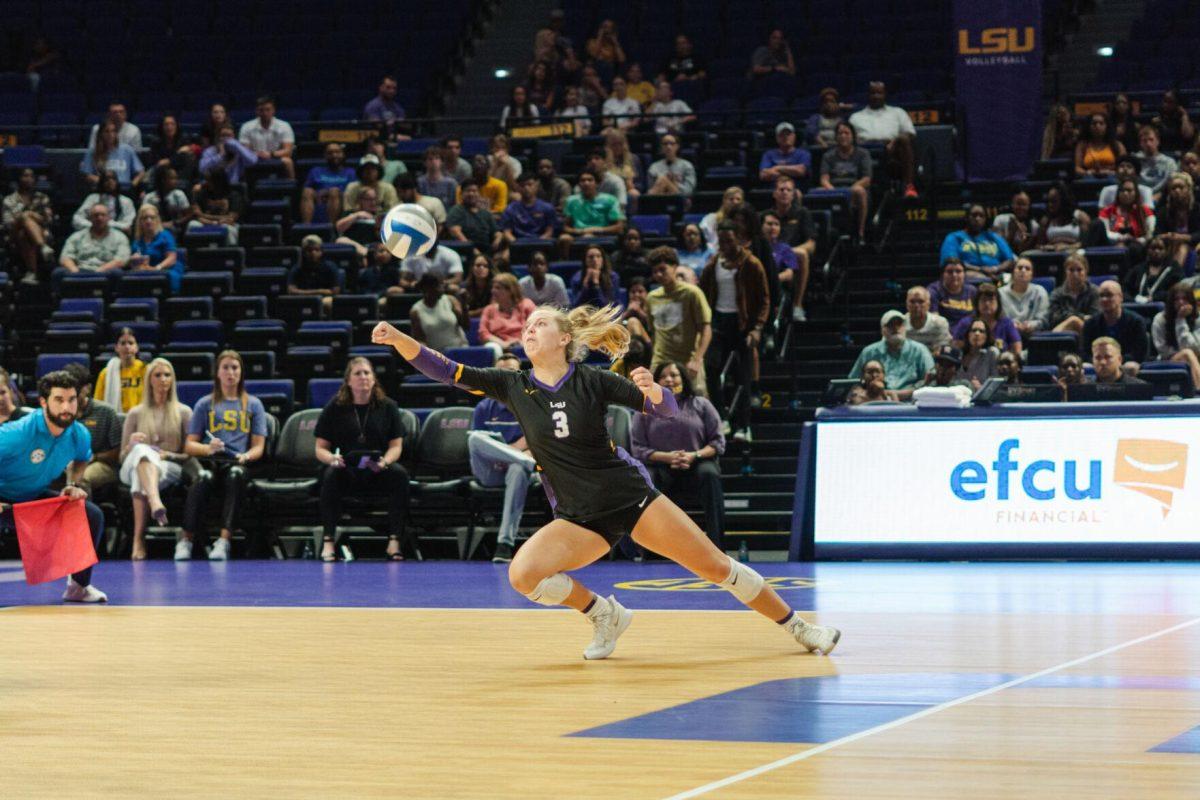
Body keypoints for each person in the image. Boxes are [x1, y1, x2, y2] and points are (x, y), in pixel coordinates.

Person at [371, 307, 841, 659]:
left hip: (627, 497)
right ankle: (604, 615)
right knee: (523, 575)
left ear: (565, 339)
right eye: (527, 325)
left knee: (716, 567)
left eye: (540, 324)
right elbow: (446, 370)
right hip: (577, 514)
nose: (530, 329)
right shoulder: (513, 384)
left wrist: (657, 391)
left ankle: (800, 627)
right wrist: (398, 339)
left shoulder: (593, 380)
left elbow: (663, 409)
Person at [0, 371, 107, 602]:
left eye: (71, 399)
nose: (66, 407)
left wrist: (73, 484)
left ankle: (78, 587)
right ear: (43, 402)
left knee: (92, 514)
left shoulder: (79, 434)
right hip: (3, 498)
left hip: (32, 497)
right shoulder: (17, 434)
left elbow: (82, 458)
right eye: (59, 400)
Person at [313, 357, 410, 562]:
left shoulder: (388, 406)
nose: (363, 377)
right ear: (348, 380)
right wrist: (332, 459)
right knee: (330, 475)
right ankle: (329, 541)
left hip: (377, 468)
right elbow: (320, 449)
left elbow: (396, 447)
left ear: (374, 379)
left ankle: (394, 541)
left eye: (367, 373)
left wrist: (384, 462)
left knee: (400, 475)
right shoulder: (335, 407)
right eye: (358, 373)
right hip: (346, 469)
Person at [181, 351, 267, 561]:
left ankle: (224, 540)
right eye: (226, 367)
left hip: (237, 461)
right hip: (210, 461)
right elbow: (189, 445)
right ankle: (186, 540)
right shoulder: (204, 404)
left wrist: (247, 456)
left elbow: (259, 446)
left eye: (235, 368)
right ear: (217, 373)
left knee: (236, 475)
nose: (230, 372)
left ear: (241, 372)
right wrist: (207, 448)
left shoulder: (253, 404)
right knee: (202, 478)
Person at [631, 361, 724, 546]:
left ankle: (717, 543)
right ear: (656, 383)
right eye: (663, 377)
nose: (669, 380)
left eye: (674, 375)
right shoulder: (644, 409)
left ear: (683, 379)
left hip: (696, 464)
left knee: (710, 473)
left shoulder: (701, 404)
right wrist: (667, 457)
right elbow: (637, 448)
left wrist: (694, 455)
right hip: (661, 466)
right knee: (646, 477)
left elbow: (718, 443)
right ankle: (651, 549)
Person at [467, 352, 539, 564]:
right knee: (474, 439)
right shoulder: (483, 408)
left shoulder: (533, 405)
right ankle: (521, 461)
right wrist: (512, 452)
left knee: (518, 470)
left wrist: (517, 456)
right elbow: (479, 445)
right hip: (490, 470)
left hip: (520, 469)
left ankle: (504, 544)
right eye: (500, 372)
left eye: (509, 372)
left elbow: (540, 445)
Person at [118, 358, 194, 560]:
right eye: (158, 375)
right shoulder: (135, 413)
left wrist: (168, 454)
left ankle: (138, 539)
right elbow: (122, 457)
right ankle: (154, 500)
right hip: (133, 462)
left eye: (167, 375)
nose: (163, 379)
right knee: (142, 450)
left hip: (170, 466)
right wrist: (130, 445)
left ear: (173, 380)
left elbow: (189, 453)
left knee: (139, 474)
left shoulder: (184, 412)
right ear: (149, 379)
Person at [700, 222, 769, 438]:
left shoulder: (752, 263)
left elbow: (765, 299)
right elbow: (703, 293)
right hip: (719, 322)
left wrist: (757, 328)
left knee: (743, 376)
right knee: (711, 368)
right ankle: (721, 417)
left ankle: (744, 425)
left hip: (743, 324)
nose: (726, 245)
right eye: (722, 241)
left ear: (738, 239)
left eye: (729, 240)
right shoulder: (713, 264)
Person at [647, 248, 711, 389]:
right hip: (660, 361)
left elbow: (706, 329)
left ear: (675, 267)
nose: (658, 274)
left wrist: (697, 359)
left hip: (688, 361)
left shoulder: (692, 293)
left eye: (662, 269)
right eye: (655, 271)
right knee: (658, 406)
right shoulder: (651, 297)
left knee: (696, 404)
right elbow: (653, 333)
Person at [61, 363, 121, 501]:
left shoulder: (106, 412)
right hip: (66, 462)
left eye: (76, 390)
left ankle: (84, 519)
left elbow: (118, 452)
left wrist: (95, 457)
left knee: (81, 480)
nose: (72, 395)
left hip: (102, 464)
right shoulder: (61, 412)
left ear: (87, 388)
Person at [849, 81, 917, 198]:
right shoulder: (856, 117)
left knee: (904, 141)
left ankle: (908, 187)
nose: (876, 96)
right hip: (864, 152)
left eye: (879, 93)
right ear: (867, 95)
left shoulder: (898, 112)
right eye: (873, 93)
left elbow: (910, 133)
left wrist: (894, 142)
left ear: (885, 94)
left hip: (891, 151)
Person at [848, 310, 935, 392]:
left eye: (899, 324)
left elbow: (932, 381)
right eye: (890, 325)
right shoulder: (869, 352)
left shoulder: (920, 350)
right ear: (882, 330)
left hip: (911, 402)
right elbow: (853, 382)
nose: (895, 328)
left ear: (905, 328)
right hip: (876, 401)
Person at [55, 203, 130, 292]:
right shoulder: (77, 236)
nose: (99, 218)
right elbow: (65, 257)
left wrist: (100, 270)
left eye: (103, 215)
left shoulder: (120, 237)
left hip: (105, 271)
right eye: (96, 215)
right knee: (58, 273)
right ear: (89, 218)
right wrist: (74, 270)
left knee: (117, 273)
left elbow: (121, 260)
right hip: (80, 270)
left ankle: (111, 303)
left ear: (109, 218)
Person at [819, 121, 872, 240]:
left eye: (847, 133)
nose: (843, 136)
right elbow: (824, 179)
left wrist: (849, 191)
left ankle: (860, 232)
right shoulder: (828, 156)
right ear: (836, 137)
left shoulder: (863, 154)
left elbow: (866, 179)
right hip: (834, 188)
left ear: (853, 136)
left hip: (854, 187)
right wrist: (832, 191)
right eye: (840, 133)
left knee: (860, 191)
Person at [3, 166, 56, 282]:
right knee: (24, 218)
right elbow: (8, 224)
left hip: (40, 233)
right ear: (19, 179)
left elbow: (49, 220)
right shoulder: (9, 200)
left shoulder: (42, 198)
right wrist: (27, 216)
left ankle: (32, 272)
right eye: (25, 176)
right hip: (13, 235)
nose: (29, 179)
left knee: (24, 234)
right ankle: (43, 247)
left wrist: (30, 216)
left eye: (32, 176)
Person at [1082, 281, 1147, 369]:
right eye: (1101, 296)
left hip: (1124, 365)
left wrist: (1114, 361)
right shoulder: (1090, 323)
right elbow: (1085, 353)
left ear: (1121, 297)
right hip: (1098, 364)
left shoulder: (1136, 322)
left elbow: (1138, 353)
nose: (1104, 299)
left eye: (1109, 295)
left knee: (1131, 367)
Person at [940, 205, 1015, 281]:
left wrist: (995, 269)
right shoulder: (954, 237)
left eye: (981, 216)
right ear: (966, 218)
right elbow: (951, 262)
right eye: (974, 215)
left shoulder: (994, 237)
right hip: (969, 276)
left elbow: (1010, 260)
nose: (977, 219)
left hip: (997, 274)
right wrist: (980, 270)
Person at [558, 169, 625, 254]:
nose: (586, 183)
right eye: (583, 180)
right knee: (564, 238)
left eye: (590, 180)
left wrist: (598, 230)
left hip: (603, 234)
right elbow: (565, 227)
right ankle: (566, 263)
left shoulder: (610, 200)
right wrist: (580, 231)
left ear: (597, 183)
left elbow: (619, 227)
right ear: (579, 184)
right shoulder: (571, 201)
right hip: (579, 234)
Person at [950, 283, 1023, 357]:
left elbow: (1017, 348)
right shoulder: (965, 323)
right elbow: (955, 348)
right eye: (983, 300)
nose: (987, 304)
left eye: (991, 300)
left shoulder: (1006, 323)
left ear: (998, 303)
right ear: (977, 303)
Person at [1151, 283, 1200, 387]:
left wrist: (1181, 321)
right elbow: (1163, 350)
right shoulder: (1160, 320)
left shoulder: (1198, 319)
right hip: (1168, 361)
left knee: (1189, 353)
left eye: (1185, 299)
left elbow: (1196, 348)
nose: (1181, 302)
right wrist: (1180, 319)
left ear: (1191, 301)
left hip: (1197, 357)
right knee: (1187, 353)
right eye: (1176, 299)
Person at [479, 273, 537, 357]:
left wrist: (523, 341)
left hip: (525, 343)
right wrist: (504, 344)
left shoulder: (527, 304)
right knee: (492, 347)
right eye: (493, 287)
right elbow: (483, 334)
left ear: (510, 291)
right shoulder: (489, 310)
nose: (493, 291)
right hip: (500, 345)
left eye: (498, 288)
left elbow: (537, 328)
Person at [129, 204, 183, 292]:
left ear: (157, 220)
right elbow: (135, 261)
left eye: (152, 217)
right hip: (145, 271)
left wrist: (157, 268)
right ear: (140, 221)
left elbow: (172, 258)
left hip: (166, 269)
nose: (148, 221)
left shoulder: (165, 235)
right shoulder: (137, 240)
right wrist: (135, 261)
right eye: (145, 218)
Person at [237, 95, 295, 179]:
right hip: (254, 158)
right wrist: (257, 154)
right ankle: (244, 190)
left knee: (288, 161)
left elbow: (288, 151)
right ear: (256, 111)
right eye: (261, 110)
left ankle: (290, 189)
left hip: (275, 157)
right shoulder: (246, 126)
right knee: (241, 161)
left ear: (273, 110)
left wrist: (270, 154)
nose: (265, 113)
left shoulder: (284, 126)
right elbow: (245, 150)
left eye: (268, 110)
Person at [410, 274, 468, 351]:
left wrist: (464, 305)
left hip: (459, 349)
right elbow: (419, 339)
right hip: (437, 356)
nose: (443, 289)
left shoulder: (450, 300)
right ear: (427, 289)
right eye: (439, 286)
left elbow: (466, 326)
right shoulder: (416, 311)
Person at [301, 142, 356, 224]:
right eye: (330, 153)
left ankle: (332, 229)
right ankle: (306, 227)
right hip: (319, 201)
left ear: (343, 154)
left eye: (337, 152)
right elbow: (307, 190)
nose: (334, 155)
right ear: (325, 156)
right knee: (307, 192)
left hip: (340, 203)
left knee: (334, 192)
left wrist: (329, 193)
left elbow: (352, 194)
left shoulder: (351, 172)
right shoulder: (316, 171)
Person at [79, 120, 144, 188]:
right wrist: (106, 183)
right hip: (102, 190)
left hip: (124, 190)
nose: (111, 134)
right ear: (101, 134)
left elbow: (141, 172)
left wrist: (132, 185)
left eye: (113, 131)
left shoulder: (127, 150)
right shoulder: (93, 152)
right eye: (107, 131)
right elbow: (87, 175)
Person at [287, 236, 342, 315]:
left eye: (316, 250)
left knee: (328, 303)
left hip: (323, 299)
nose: (313, 253)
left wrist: (304, 293)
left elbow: (335, 291)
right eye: (309, 250)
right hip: (302, 299)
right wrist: (320, 291)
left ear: (321, 251)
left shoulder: (330, 267)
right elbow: (291, 291)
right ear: (304, 252)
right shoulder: (297, 268)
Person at [95, 327, 145, 412]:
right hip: (115, 421)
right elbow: (98, 404)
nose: (127, 347)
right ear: (116, 348)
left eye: (131, 343)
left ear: (136, 347)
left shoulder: (145, 370)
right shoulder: (105, 374)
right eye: (123, 343)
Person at [189, 167, 244, 245]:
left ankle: (231, 254)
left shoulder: (233, 195)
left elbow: (231, 218)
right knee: (193, 224)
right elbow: (197, 215)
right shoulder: (202, 193)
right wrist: (214, 222)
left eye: (209, 180)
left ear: (218, 181)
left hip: (225, 224)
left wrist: (205, 216)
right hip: (206, 223)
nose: (205, 183)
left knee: (229, 229)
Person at [447, 179, 503, 256]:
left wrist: (497, 239)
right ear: (461, 194)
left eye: (474, 191)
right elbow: (456, 233)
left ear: (479, 194)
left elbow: (497, 232)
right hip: (466, 251)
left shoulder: (485, 213)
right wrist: (474, 251)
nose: (471, 194)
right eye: (468, 191)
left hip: (487, 250)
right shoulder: (456, 211)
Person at [1049, 253, 1100, 334]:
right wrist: (1081, 317)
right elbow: (1054, 318)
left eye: (1079, 270)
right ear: (1065, 272)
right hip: (1064, 333)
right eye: (1071, 270)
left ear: (1086, 271)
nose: (1075, 274)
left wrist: (1072, 318)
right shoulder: (1056, 294)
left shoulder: (1094, 292)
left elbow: (1095, 318)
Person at [71, 170, 135, 234]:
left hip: (117, 237)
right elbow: (76, 220)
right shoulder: (92, 198)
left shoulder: (126, 201)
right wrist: (95, 226)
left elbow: (128, 226)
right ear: (101, 182)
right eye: (106, 179)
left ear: (117, 182)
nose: (110, 181)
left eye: (113, 178)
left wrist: (105, 225)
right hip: (92, 234)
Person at [1157, 172, 1200, 266]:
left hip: (1193, 244)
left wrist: (1184, 237)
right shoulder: (1164, 211)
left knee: (1182, 247)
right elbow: (1157, 234)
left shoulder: (1197, 209)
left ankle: (1174, 275)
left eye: (1181, 187)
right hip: (1170, 245)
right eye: (1173, 188)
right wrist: (1168, 236)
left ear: (1188, 189)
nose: (1177, 190)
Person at [1000, 257, 1051, 337]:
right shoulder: (1000, 293)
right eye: (1020, 268)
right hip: (1008, 336)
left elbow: (1044, 319)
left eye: (1027, 269)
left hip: (1035, 336)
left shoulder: (1040, 292)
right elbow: (1000, 319)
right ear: (1013, 272)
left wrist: (1031, 325)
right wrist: (1012, 324)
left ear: (1032, 275)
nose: (1023, 271)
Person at [1125, 235, 1184, 304]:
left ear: (1166, 251)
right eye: (1153, 248)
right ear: (1147, 250)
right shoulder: (1138, 269)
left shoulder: (1174, 269)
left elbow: (1177, 290)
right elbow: (1125, 289)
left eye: (1160, 248)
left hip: (1165, 307)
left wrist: (1155, 298)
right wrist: (1134, 299)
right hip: (1137, 306)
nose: (1156, 251)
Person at [501, 173, 557, 244]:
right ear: (518, 188)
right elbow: (507, 232)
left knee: (538, 255)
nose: (526, 188)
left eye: (530, 185)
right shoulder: (510, 209)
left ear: (536, 186)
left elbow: (549, 232)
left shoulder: (548, 208)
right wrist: (516, 244)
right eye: (522, 185)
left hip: (540, 244)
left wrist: (537, 244)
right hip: (518, 243)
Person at [1036, 181, 1091, 251]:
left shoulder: (1080, 217)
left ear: (1064, 201)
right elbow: (1039, 245)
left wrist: (1067, 247)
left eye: (1054, 201)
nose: (1050, 205)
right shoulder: (1046, 221)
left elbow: (1085, 243)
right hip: (1052, 255)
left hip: (1075, 254)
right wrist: (1046, 247)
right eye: (1048, 201)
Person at [143, 165, 194, 233]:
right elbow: (144, 216)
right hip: (154, 227)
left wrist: (175, 223)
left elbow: (188, 215)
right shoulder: (149, 198)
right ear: (163, 180)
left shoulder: (179, 194)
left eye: (176, 178)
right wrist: (158, 224)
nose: (176, 181)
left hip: (175, 226)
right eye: (172, 178)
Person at [926, 258, 976, 326]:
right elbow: (934, 319)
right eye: (950, 271)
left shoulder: (972, 291)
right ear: (943, 274)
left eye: (958, 271)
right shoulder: (934, 291)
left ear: (964, 274)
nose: (954, 275)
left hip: (968, 331)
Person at [1074, 112, 1124, 178]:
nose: (1097, 126)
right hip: (1088, 179)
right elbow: (1077, 168)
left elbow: (1124, 166)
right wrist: (1087, 172)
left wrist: (1112, 172)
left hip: (1113, 178)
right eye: (1094, 123)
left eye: (1101, 123)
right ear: (1088, 127)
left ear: (1107, 126)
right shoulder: (1082, 145)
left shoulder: (1117, 145)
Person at [646, 133, 697, 197]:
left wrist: (672, 183)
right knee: (662, 180)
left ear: (677, 146)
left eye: (672, 144)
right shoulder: (654, 167)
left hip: (680, 199)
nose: (668, 147)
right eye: (665, 144)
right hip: (659, 197)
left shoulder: (687, 166)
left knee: (663, 180)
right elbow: (650, 188)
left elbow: (688, 191)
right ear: (661, 147)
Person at [1134, 125, 1178, 198]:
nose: (1148, 144)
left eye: (1151, 140)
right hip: (1139, 198)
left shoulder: (1169, 163)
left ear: (1158, 141)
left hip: (1162, 198)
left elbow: (1172, 184)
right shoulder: (1134, 161)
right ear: (1140, 143)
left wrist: (1160, 196)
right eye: (1144, 141)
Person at [903, 285, 951, 351]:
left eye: (921, 301)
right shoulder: (900, 322)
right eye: (912, 302)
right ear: (907, 304)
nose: (916, 305)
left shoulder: (940, 323)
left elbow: (941, 351)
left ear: (928, 304)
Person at [991, 191, 1039, 255]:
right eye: (1018, 204)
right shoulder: (1000, 220)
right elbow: (998, 249)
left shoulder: (1034, 226)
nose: (1021, 208)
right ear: (1012, 204)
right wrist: (1011, 233)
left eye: (1024, 204)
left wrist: (1023, 241)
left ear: (1029, 206)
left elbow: (1023, 253)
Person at [699, 186, 745, 250]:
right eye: (731, 199)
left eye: (738, 199)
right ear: (724, 201)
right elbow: (703, 240)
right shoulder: (710, 219)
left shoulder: (745, 221)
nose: (735, 202)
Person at [959, 319, 999, 389]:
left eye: (981, 331)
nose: (977, 334)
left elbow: (995, 386)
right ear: (968, 334)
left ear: (986, 336)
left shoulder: (991, 355)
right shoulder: (959, 354)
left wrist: (981, 389)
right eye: (974, 330)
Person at [459, 254, 496, 318]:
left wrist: (471, 313)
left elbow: (493, 308)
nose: (481, 268)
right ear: (472, 268)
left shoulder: (495, 286)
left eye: (485, 266)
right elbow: (461, 311)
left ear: (489, 269)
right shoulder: (464, 286)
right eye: (478, 265)